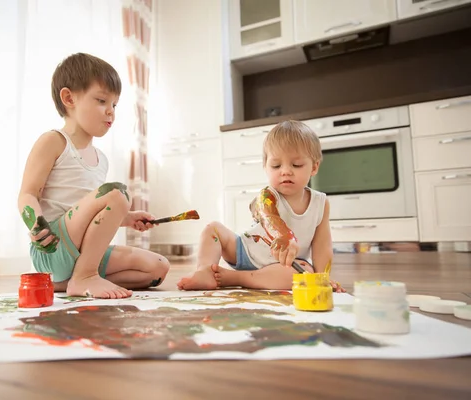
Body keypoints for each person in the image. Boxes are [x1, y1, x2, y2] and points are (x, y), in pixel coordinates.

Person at [18, 53, 170, 299]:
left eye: (114, 105)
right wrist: (36, 225)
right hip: (54, 247)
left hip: (83, 253)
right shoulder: (54, 141)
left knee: (159, 268)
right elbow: (27, 194)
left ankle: (73, 280)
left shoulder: (102, 159)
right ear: (69, 98)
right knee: (117, 193)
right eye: (102, 100)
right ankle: (84, 277)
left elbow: (95, 215)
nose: (110, 112)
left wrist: (127, 218)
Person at [177, 120, 344, 292]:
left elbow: (322, 246)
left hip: (283, 266)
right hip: (245, 251)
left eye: (296, 165)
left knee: (305, 273)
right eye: (276, 165)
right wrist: (285, 236)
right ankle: (205, 271)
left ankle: (235, 278)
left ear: (314, 167)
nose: (285, 171)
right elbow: (269, 218)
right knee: (213, 229)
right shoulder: (267, 196)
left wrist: (322, 278)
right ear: (266, 167)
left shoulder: (320, 203)